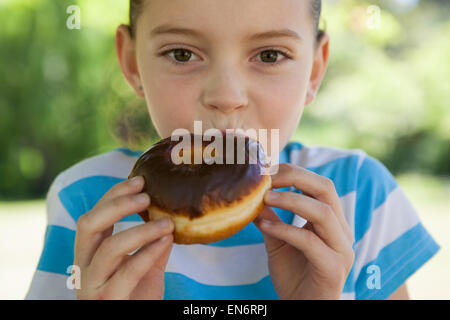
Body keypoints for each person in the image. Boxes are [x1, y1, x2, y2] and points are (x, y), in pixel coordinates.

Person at [26, 0, 440, 300]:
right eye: (182, 53)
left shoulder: (359, 198)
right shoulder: (88, 206)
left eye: (270, 54)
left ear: (314, 69)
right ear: (133, 63)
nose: (226, 96)